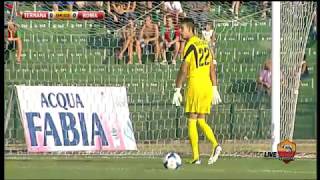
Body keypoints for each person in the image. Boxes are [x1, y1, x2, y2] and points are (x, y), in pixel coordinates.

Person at [172, 18, 222, 165]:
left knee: (192, 119)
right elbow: (212, 67)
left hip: (195, 83)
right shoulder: (205, 44)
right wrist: (214, 87)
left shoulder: (190, 44)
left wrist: (177, 89)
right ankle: (215, 144)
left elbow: (184, 68)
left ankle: (196, 157)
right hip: (207, 84)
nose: (180, 32)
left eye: (182, 29)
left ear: (191, 30)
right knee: (201, 119)